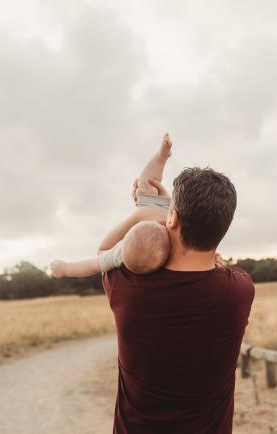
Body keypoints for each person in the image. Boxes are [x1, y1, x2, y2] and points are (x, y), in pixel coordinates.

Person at [101, 167, 255, 433]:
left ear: (172, 218)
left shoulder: (130, 287)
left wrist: (144, 213)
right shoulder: (240, 290)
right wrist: (172, 212)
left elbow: (105, 253)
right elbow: (211, 261)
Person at [48, 134, 174, 278]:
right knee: (148, 184)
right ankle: (162, 156)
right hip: (166, 214)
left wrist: (66, 268)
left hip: (160, 212)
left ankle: (162, 155)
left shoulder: (119, 253)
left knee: (145, 184)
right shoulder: (173, 242)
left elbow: (91, 265)